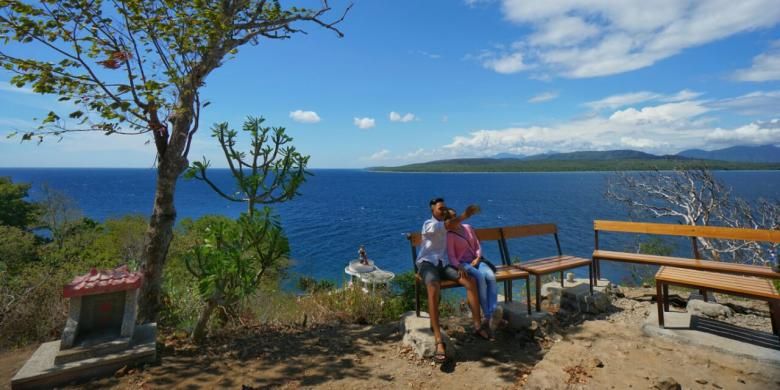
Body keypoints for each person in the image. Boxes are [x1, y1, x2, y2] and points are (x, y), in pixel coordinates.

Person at [416, 197, 488, 363]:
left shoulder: (447, 227)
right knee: (433, 287)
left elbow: (456, 231)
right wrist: (465, 215)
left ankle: (477, 326)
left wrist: (462, 264)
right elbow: (449, 224)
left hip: (443, 265)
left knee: (470, 282)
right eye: (440, 209)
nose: (443, 211)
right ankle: (439, 341)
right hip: (427, 265)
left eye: (444, 208)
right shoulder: (429, 224)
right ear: (432, 210)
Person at [445, 208, 504, 337]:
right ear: (447, 221)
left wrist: (478, 257)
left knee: (491, 276)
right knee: (480, 277)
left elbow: (477, 244)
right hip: (464, 264)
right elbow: (451, 256)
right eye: (451, 217)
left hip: (477, 261)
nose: (455, 218)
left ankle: (493, 311)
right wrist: (459, 266)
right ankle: (488, 315)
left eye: (455, 215)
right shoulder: (449, 235)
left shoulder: (468, 227)